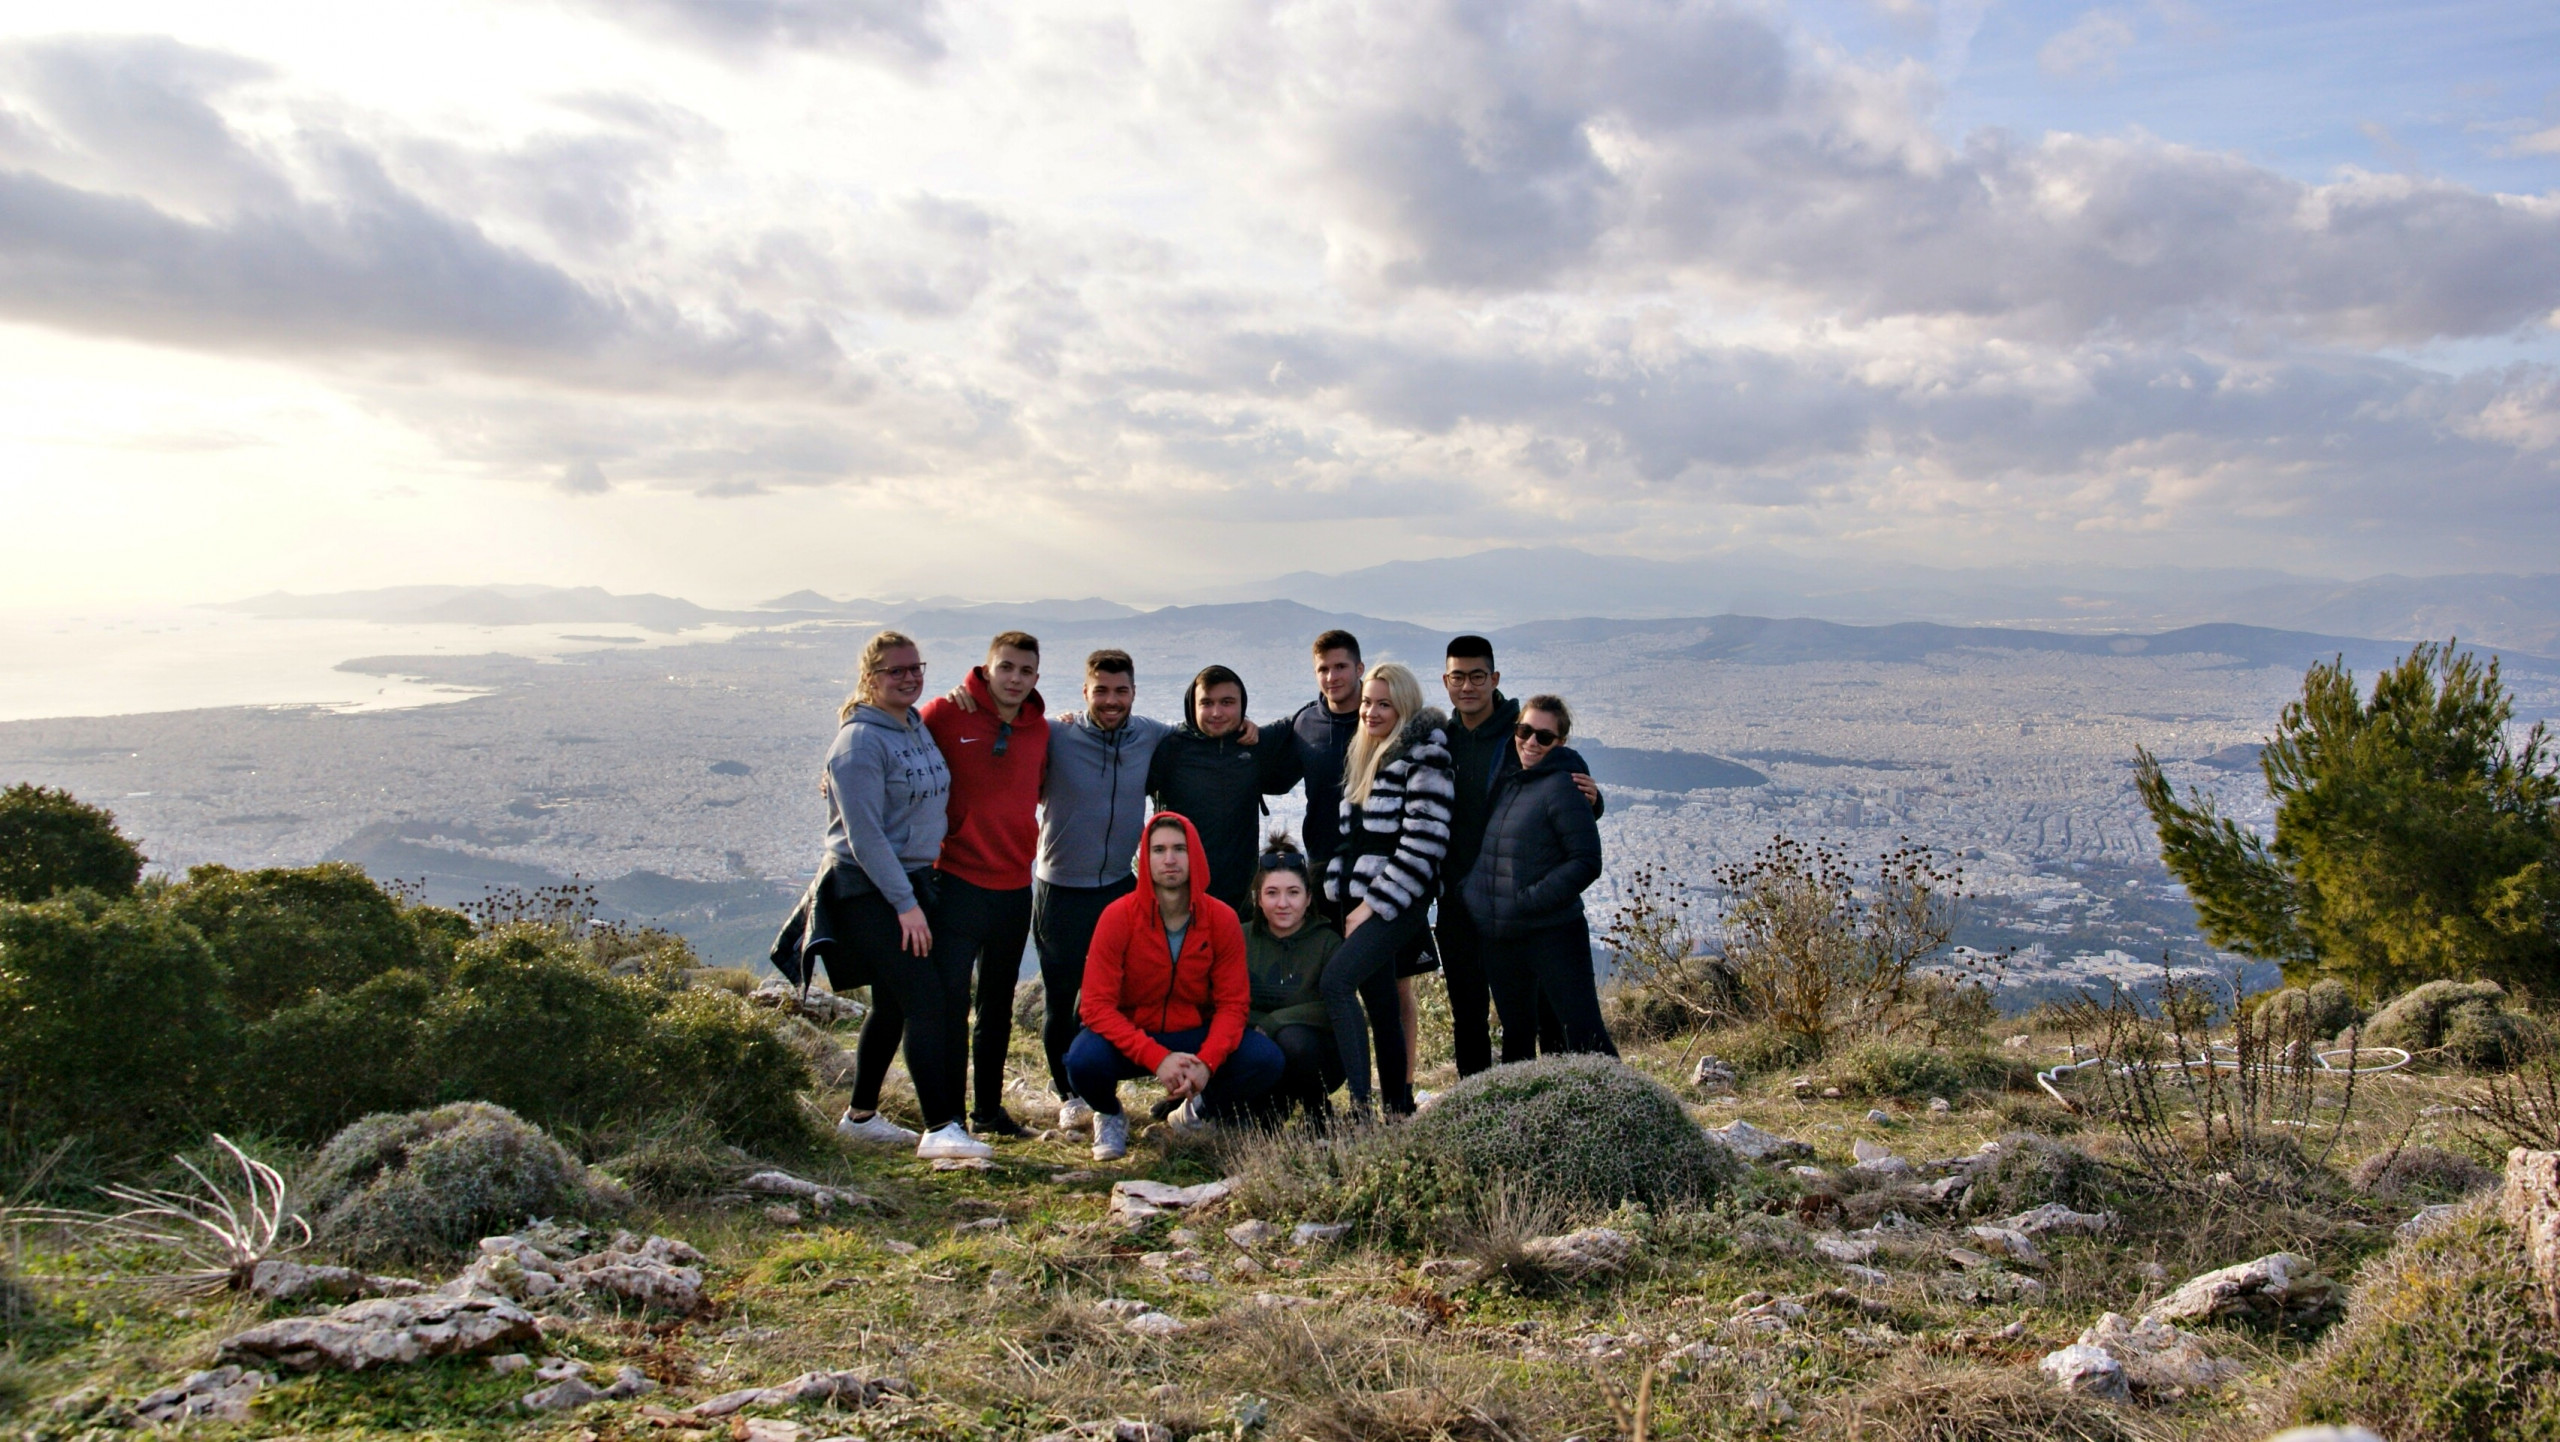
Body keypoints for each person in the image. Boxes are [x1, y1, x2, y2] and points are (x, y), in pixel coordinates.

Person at [820, 630, 983, 1160]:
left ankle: (860, 1117)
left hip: (911, 880)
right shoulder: (859, 742)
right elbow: (865, 837)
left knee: (891, 1002)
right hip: (871, 889)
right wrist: (905, 905)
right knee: (925, 1001)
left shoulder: (912, 724)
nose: (910, 677)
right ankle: (940, 1127)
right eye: (896, 671)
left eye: (916, 667)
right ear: (871, 678)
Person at [1066, 812, 1286, 1159]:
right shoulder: (1118, 916)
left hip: (1193, 1033)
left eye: (1179, 849)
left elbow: (1233, 1005)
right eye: (1159, 850)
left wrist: (1206, 1064)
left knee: (1265, 1059)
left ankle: (1198, 1109)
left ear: (1194, 855)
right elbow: (1095, 1007)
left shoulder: (1221, 919)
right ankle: (1109, 1114)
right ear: (1146, 858)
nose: (1169, 859)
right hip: (1133, 1035)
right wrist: (1157, 1059)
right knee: (1082, 1061)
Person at [1435, 635, 1604, 1076]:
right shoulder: (1439, 740)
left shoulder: (1523, 733)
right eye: (1458, 677)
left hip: (1519, 901)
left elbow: (1562, 781)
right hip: (1460, 899)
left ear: (1494, 679)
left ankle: (1559, 1096)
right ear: (1445, 681)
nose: (1467, 686)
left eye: (1477, 676)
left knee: (1542, 1015)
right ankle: (1478, 1103)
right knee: (1469, 1012)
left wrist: (1593, 799)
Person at [1029, 650, 1170, 1130]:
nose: (1112, 701)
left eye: (1121, 691)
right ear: (1085, 691)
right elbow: (999, 735)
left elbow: (1198, 732)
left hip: (1118, 887)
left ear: (1134, 692)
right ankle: (1070, 1094)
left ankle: (1103, 1080)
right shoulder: (1057, 733)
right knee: (1062, 998)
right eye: (1101, 691)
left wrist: (1248, 729)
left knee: (1118, 996)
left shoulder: (1149, 734)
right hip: (1061, 889)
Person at [917, 631, 1049, 1139]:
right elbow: (892, 739)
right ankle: (948, 1118)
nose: (1015, 679)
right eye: (1006, 668)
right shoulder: (946, 713)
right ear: (987, 668)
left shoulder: (1041, 730)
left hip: (1014, 886)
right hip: (956, 881)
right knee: (951, 1005)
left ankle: (989, 1113)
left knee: (996, 1009)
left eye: (1025, 671)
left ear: (1036, 677)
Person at [1318, 662, 1455, 1115]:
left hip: (1395, 902)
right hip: (1359, 897)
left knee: (1337, 982)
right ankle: (1398, 1107)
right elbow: (1355, 840)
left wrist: (1371, 906)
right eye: (1367, 703)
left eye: (1384, 704)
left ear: (1404, 708)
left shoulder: (1425, 759)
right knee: (1382, 1007)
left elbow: (1424, 845)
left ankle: (1360, 1107)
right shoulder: (1369, 754)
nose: (1371, 712)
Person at [1463, 694, 1616, 1062]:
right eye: (1524, 731)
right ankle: (1528, 1101)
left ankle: (1621, 1097)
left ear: (1560, 743)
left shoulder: (1565, 785)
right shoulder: (1510, 775)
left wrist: (1528, 900)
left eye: (1544, 737)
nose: (1531, 742)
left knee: (1583, 1033)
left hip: (1552, 930)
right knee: (1516, 1035)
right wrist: (1473, 893)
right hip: (1502, 934)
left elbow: (1586, 861)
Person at [1147, 664, 1296, 915]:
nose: (1216, 712)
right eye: (1206, 703)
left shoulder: (1254, 745)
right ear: (1192, 706)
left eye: (1227, 702)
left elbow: (1306, 718)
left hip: (1240, 897)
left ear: (1242, 705)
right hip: (1179, 895)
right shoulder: (1170, 749)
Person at [1242, 834, 1343, 1122]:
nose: (1283, 903)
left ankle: (1317, 1110)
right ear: (1259, 899)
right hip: (1257, 1054)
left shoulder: (1327, 943)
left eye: (1293, 893)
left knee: (1293, 1039)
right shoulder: (1240, 938)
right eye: (1272, 893)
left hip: (1316, 1057)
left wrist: (1274, 1022)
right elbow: (1223, 1002)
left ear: (1308, 898)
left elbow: (1335, 1007)